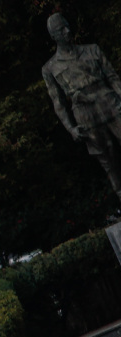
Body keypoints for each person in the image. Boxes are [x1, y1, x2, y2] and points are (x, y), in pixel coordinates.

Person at [42, 13, 121, 200]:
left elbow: (113, 78)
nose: (67, 31)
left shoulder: (92, 50)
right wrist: (70, 129)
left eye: (67, 26)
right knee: (108, 159)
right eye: (61, 30)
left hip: (109, 102)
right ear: (54, 36)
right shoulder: (50, 68)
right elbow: (58, 102)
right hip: (86, 114)